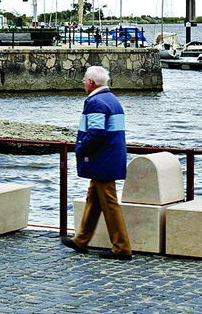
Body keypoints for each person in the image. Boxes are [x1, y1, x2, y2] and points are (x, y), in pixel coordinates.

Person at [60, 65, 133, 261]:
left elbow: (96, 133)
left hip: (102, 159)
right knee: (94, 198)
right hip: (111, 156)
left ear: (91, 82)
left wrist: (81, 148)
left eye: (85, 80)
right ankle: (82, 239)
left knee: (109, 202)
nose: (83, 83)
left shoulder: (96, 102)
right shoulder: (112, 99)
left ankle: (122, 247)